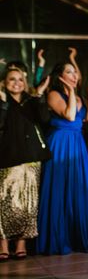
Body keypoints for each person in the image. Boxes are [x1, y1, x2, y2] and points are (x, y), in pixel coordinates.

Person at [37, 63, 88, 255]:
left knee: (79, 188)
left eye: (75, 71)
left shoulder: (79, 96)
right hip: (60, 143)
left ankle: (80, 238)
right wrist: (71, 91)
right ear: (60, 76)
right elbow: (69, 114)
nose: (74, 75)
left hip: (77, 143)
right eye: (69, 72)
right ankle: (59, 239)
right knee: (60, 189)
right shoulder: (53, 95)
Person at [0, 68, 50, 260]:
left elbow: (45, 119)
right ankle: (3, 243)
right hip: (7, 157)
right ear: (4, 82)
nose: (17, 83)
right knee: (4, 201)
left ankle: (21, 243)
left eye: (20, 79)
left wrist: (39, 96)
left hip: (31, 157)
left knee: (29, 203)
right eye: (12, 79)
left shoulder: (31, 100)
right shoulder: (2, 101)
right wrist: (3, 103)